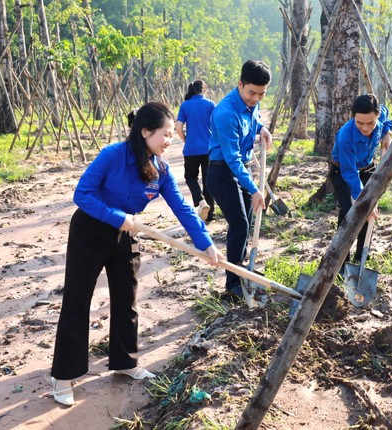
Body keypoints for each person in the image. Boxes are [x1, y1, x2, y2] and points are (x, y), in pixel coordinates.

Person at [50, 102, 222, 407]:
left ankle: (125, 361)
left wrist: (205, 243)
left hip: (125, 234)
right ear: (145, 132)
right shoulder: (112, 155)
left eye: (171, 134)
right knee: (78, 301)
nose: (170, 140)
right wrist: (117, 217)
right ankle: (63, 375)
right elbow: (82, 194)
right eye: (166, 134)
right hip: (90, 230)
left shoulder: (162, 169)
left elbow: (183, 208)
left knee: (126, 298)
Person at [206, 60, 272, 302]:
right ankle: (232, 284)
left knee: (247, 222)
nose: (255, 99)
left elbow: (253, 120)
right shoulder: (225, 113)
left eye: (261, 94)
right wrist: (255, 189)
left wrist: (261, 128)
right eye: (251, 92)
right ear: (240, 84)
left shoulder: (251, 104)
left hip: (240, 170)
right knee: (240, 225)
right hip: (222, 173)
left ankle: (241, 268)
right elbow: (232, 159)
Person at [329, 94, 392, 267]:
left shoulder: (380, 116)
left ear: (377, 115)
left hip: (368, 168)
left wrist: (387, 132)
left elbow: (387, 115)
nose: (366, 128)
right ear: (353, 117)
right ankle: (341, 261)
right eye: (360, 123)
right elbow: (350, 174)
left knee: (368, 214)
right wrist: (364, 201)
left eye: (371, 123)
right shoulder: (345, 137)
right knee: (349, 213)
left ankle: (361, 257)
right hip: (343, 171)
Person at [175, 80, 216, 222]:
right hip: (209, 149)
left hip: (191, 149)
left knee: (191, 177)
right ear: (204, 90)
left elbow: (178, 127)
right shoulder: (210, 104)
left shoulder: (185, 105)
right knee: (208, 180)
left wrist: (186, 140)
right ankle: (210, 215)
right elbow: (218, 123)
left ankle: (200, 201)